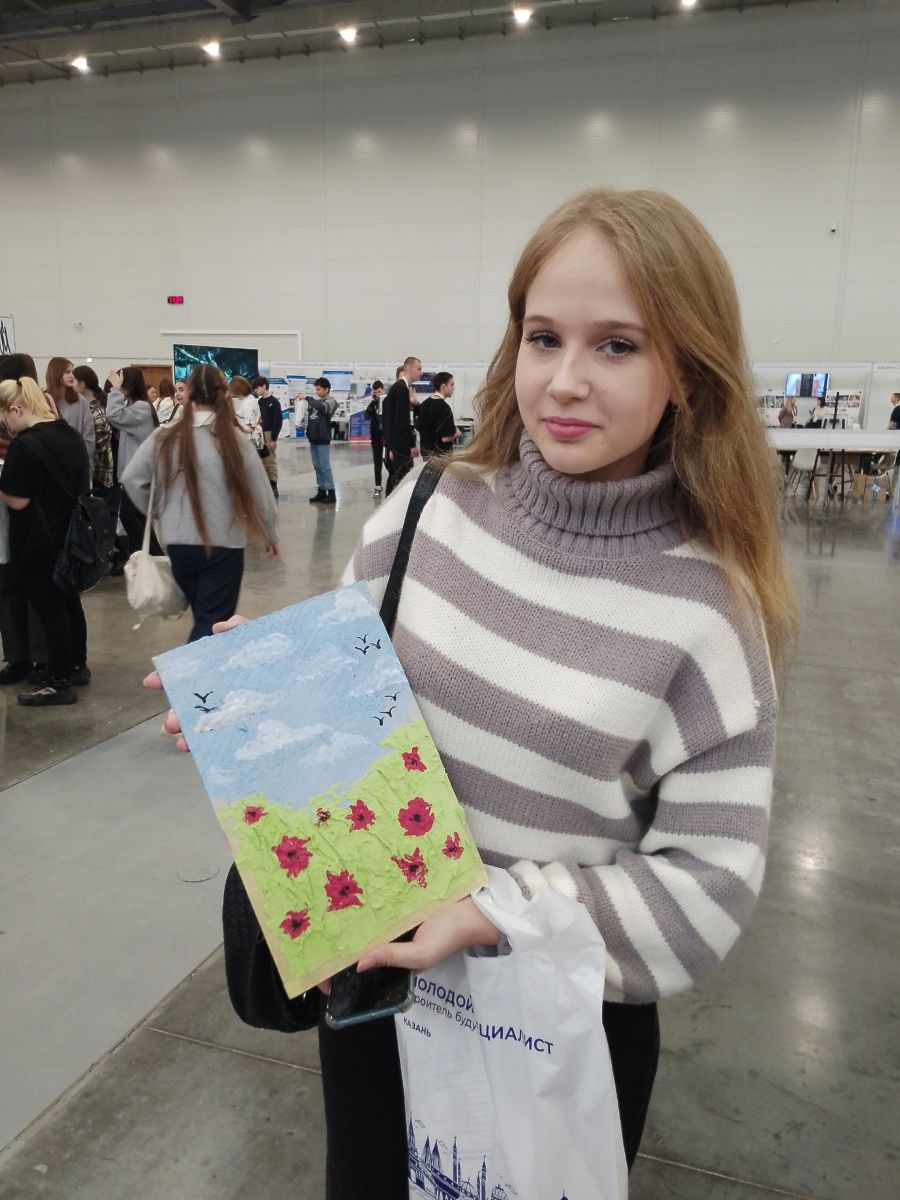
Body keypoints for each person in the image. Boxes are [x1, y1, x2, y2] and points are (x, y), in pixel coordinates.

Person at [150, 188, 796, 1195]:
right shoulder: (427, 506)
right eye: (544, 337)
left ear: (687, 368)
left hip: (553, 1028)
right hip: (376, 999)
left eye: (618, 345)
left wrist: (492, 913)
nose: (567, 380)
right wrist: (272, 692)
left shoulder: (709, 611)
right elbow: (361, 705)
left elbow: (706, 892)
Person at [121, 364, 278, 643]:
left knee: (204, 618)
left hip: (178, 545)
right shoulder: (234, 440)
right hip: (223, 546)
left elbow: (132, 478)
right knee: (211, 627)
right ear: (223, 395)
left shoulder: (165, 436)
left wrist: (159, 512)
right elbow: (262, 494)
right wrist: (270, 534)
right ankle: (189, 671)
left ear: (189, 394)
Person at [0, 377, 91, 705]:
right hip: (71, 536)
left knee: (50, 611)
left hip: (38, 540)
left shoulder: (25, 445)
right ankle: (77, 665)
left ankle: (58, 681)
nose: (6, 428)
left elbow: (18, 500)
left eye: (5, 419)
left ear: (16, 409)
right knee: (69, 603)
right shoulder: (69, 434)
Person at [0, 353, 48, 685]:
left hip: (26, 515)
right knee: (14, 590)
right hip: (20, 518)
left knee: (27, 592)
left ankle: (34, 660)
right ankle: (22, 658)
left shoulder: (34, 416)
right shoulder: (42, 410)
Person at [106, 367, 160, 555]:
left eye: (122, 384)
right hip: (137, 475)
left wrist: (115, 390)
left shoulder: (142, 408)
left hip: (139, 476)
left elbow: (113, 415)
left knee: (129, 517)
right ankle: (154, 557)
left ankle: (147, 555)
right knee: (141, 522)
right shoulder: (136, 406)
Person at [382, 356, 422, 495]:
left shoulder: (398, 388)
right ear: (410, 368)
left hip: (396, 444)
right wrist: (411, 445)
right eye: (419, 369)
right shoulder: (401, 388)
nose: (421, 372)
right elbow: (401, 421)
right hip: (400, 446)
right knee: (401, 482)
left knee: (398, 480)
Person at [73, 366, 114, 497]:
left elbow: (101, 445)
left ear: (82, 384)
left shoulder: (96, 410)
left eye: (73, 381)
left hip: (99, 475)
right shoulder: (84, 407)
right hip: (93, 472)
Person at [46, 357, 96, 466]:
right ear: (56, 373)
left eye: (72, 372)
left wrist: (84, 460)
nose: (72, 375)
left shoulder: (80, 400)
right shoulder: (45, 400)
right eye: (67, 372)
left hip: (77, 461)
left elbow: (89, 434)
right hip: (51, 462)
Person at [307, 377, 338, 505]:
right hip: (313, 438)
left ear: (327, 389)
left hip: (323, 438)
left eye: (319, 389)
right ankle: (321, 490)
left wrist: (308, 398)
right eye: (316, 389)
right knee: (317, 466)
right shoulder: (316, 402)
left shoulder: (331, 401)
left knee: (325, 467)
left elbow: (324, 409)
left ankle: (331, 492)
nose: (317, 392)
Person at [416, 371, 460, 458]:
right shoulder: (445, 408)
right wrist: (457, 434)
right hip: (440, 456)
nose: (453, 388)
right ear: (443, 386)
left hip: (426, 454)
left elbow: (418, 426)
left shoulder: (424, 405)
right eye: (451, 385)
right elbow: (445, 438)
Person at [252, 377, 283, 499]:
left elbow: (278, 422)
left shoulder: (274, 402)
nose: (256, 390)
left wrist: (273, 439)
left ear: (264, 386)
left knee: (270, 460)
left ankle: (273, 485)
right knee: (261, 460)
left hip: (269, 433)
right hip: (259, 434)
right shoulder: (259, 402)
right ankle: (264, 486)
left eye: (257, 388)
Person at [364, 380, 386, 497]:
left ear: (383, 390)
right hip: (376, 437)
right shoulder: (373, 404)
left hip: (388, 437)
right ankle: (378, 485)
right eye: (376, 392)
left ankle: (394, 484)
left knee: (389, 463)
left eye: (379, 392)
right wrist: (373, 402)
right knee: (377, 463)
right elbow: (366, 416)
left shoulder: (389, 402)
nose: (378, 394)